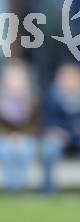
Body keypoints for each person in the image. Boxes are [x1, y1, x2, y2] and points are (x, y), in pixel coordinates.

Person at [41, 63, 80, 193]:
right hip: (60, 135)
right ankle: (48, 188)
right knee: (49, 150)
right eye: (66, 78)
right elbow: (46, 121)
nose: (70, 81)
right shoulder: (52, 96)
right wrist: (57, 130)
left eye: (73, 77)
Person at [0, 59, 39, 191]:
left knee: (26, 150)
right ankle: (12, 187)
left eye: (19, 79)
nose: (16, 83)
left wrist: (21, 136)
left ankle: (20, 187)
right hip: (4, 138)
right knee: (5, 151)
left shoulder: (33, 101)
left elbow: (36, 125)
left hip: (26, 138)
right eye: (13, 79)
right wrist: (10, 136)